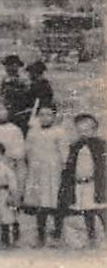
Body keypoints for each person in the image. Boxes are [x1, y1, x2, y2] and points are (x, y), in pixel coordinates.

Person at [23, 103, 69, 247]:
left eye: (49, 114)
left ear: (54, 116)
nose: (45, 118)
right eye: (42, 115)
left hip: (54, 171)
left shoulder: (59, 132)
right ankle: (41, 236)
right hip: (37, 171)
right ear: (37, 117)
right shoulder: (33, 132)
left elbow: (64, 153)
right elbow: (28, 151)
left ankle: (57, 235)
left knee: (55, 203)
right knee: (40, 204)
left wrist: (63, 168)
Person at [59, 113, 106, 246]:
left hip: (95, 183)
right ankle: (91, 237)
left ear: (94, 130)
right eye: (80, 130)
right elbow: (70, 166)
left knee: (101, 209)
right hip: (81, 184)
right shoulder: (75, 146)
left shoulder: (100, 145)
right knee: (87, 211)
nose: (84, 133)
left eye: (87, 130)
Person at [0, 99, 28, 244]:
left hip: (10, 169)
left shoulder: (14, 130)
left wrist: (19, 181)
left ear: (8, 111)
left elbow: (19, 157)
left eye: (3, 109)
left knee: (10, 205)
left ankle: (12, 235)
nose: (0, 112)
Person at [0, 56, 34, 135]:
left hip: (21, 111)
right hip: (8, 109)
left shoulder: (23, 79)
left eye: (13, 65)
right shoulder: (5, 79)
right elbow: (1, 94)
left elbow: (28, 95)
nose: (9, 68)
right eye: (7, 65)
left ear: (17, 66)